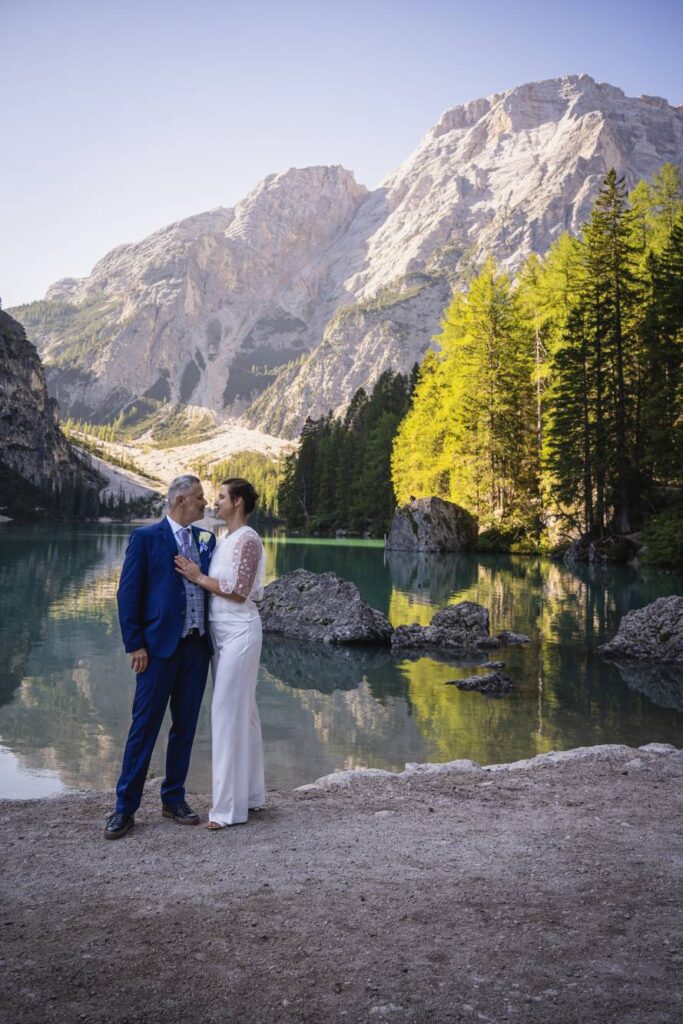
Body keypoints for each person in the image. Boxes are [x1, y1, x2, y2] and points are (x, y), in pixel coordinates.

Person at [104, 474, 216, 839]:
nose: (205, 503)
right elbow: (127, 595)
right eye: (199, 497)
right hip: (157, 651)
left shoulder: (207, 539)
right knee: (144, 727)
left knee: (184, 727)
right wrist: (134, 643)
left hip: (197, 650)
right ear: (180, 499)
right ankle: (125, 808)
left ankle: (173, 799)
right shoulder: (146, 538)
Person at [175, 477, 266, 828]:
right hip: (220, 634)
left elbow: (240, 591)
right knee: (247, 714)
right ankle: (254, 795)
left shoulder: (248, 539)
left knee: (226, 713)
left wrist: (198, 576)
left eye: (222, 497)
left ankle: (227, 810)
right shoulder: (224, 539)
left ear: (238, 502)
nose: (215, 502)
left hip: (241, 632)